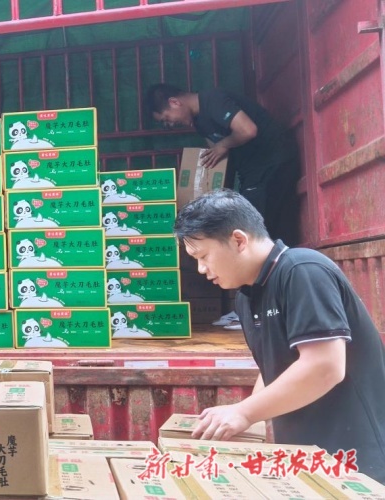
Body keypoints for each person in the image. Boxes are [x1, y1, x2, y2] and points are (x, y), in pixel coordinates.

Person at [173, 189, 385, 482]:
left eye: (204, 256)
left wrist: (244, 412)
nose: (201, 269)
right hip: (308, 456)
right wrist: (249, 421)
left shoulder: (303, 270)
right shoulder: (247, 296)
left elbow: (325, 366)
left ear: (238, 240)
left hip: (356, 458)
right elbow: (275, 367)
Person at [146, 83, 301, 329]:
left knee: (255, 237)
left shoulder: (213, 100)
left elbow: (248, 130)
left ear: (175, 102)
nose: (169, 124)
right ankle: (253, 308)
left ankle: (261, 310)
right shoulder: (200, 122)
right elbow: (217, 159)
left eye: (166, 119)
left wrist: (223, 145)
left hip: (272, 164)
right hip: (253, 173)